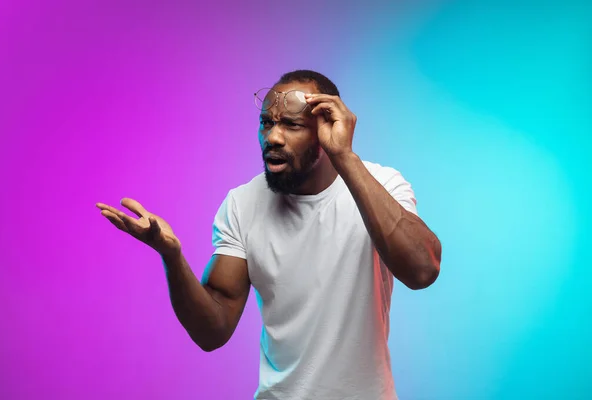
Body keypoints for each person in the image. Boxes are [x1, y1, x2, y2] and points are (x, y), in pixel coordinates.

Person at [96, 70, 442, 400]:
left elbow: (421, 270)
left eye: (291, 125)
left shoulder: (381, 185)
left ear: (327, 130)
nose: (273, 137)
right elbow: (211, 330)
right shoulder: (242, 203)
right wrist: (172, 257)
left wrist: (344, 157)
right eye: (267, 122)